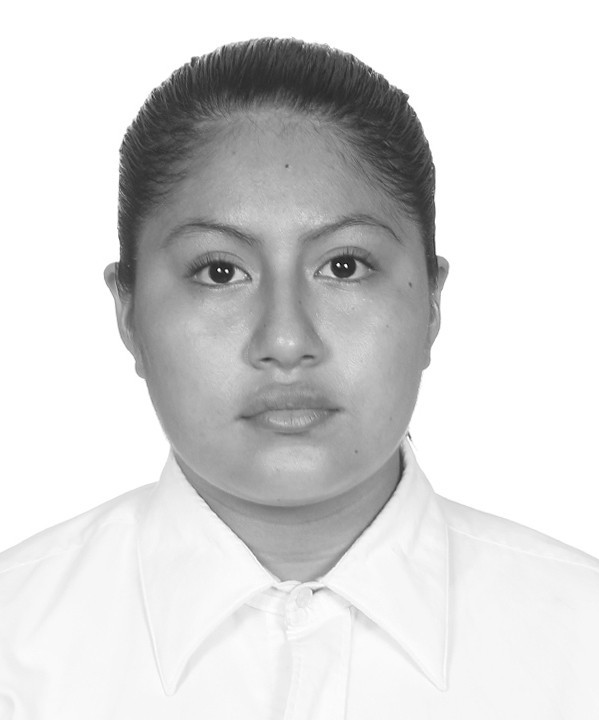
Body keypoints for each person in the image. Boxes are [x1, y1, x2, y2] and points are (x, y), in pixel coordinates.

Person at [0, 37, 597, 719]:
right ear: (128, 312)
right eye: (219, 271)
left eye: (344, 266)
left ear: (431, 302)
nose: (286, 342)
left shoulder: (581, 647)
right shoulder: (16, 648)